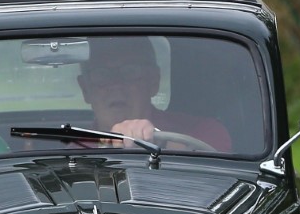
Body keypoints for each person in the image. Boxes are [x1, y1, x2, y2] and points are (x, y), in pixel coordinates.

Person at [76, 37, 231, 151]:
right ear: (85, 89)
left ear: (153, 81)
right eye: (101, 75)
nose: (116, 84)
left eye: (130, 71)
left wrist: (158, 141)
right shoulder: (74, 151)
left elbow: (217, 168)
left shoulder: (202, 130)